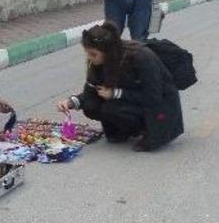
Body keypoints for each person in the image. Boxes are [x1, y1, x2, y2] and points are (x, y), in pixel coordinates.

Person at [57, 22, 183, 151]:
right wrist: (72, 102)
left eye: (93, 54)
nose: (90, 58)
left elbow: (153, 97)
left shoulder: (141, 57)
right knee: (91, 106)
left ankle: (148, 131)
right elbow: (92, 91)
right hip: (131, 100)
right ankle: (122, 131)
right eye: (87, 53)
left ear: (108, 52)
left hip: (161, 107)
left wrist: (116, 94)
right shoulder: (98, 62)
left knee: (111, 108)